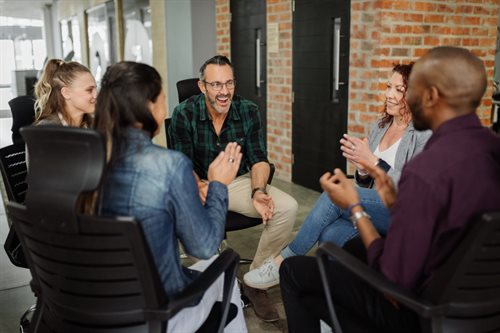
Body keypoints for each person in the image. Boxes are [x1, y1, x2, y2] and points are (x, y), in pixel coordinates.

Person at [280, 46, 500, 333]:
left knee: (294, 272)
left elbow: (393, 281)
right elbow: (445, 223)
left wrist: (356, 208)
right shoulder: (491, 149)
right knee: (345, 244)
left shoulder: (426, 171)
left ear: (431, 96)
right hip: (478, 312)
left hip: (414, 315)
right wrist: (397, 203)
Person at [244, 63, 431, 290]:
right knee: (331, 234)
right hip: (374, 207)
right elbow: (367, 184)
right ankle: (332, 307)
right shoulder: (379, 127)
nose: (389, 94)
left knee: (335, 195)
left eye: (399, 90)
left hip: (403, 213)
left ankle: (283, 261)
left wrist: (372, 162)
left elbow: (410, 188)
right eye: (388, 86)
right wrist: (362, 170)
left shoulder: (424, 134)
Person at [94, 61, 247, 332]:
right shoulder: (168, 165)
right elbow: (203, 246)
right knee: (227, 276)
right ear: (150, 106)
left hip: (99, 308)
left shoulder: (87, 159)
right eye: (163, 97)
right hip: (160, 312)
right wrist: (217, 186)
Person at [169, 55, 298, 322]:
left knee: (287, 207)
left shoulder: (248, 110)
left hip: (237, 183)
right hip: (199, 184)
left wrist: (259, 191)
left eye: (229, 83)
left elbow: (259, 158)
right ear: (202, 86)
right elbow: (181, 164)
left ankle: (255, 281)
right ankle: (207, 287)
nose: (224, 91)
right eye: (216, 85)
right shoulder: (184, 113)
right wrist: (201, 188)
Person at [34, 58, 96, 127]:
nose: (96, 95)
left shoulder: (96, 125)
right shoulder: (46, 130)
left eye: (96, 89)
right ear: (66, 93)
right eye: (89, 90)